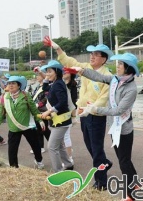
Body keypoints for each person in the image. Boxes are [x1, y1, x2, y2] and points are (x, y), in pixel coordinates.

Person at [43, 36, 113, 190]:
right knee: (91, 147)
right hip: (84, 116)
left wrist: (91, 108)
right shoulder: (86, 67)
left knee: (96, 149)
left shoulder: (107, 76)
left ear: (104, 59)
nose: (92, 57)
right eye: (91, 54)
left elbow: (104, 98)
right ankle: (105, 163)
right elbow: (69, 62)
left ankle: (101, 182)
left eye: (96, 54)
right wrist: (57, 47)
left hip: (96, 116)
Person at [72, 52, 140, 200]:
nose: (118, 66)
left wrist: (95, 109)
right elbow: (99, 77)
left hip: (124, 129)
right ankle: (135, 183)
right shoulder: (116, 80)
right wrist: (82, 71)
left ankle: (131, 194)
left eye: (121, 64)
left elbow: (118, 110)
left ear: (128, 68)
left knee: (124, 160)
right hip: (114, 127)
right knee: (124, 159)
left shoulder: (131, 89)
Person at [0, 76, 46, 169]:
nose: (10, 85)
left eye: (13, 83)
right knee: (12, 150)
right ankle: (14, 168)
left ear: (19, 85)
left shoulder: (26, 95)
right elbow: (0, 113)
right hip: (13, 128)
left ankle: (39, 160)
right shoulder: (5, 97)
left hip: (27, 126)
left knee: (35, 146)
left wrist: (39, 120)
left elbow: (34, 109)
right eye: (9, 83)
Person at [39, 61, 74, 172]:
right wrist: (46, 77)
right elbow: (44, 88)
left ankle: (58, 171)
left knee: (52, 147)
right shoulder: (54, 83)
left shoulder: (58, 83)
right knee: (58, 145)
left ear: (57, 72)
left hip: (61, 120)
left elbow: (62, 102)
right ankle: (68, 164)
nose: (47, 73)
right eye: (46, 71)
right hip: (58, 120)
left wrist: (49, 111)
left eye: (50, 71)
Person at [30, 67, 50, 154]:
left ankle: (55, 145)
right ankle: (41, 147)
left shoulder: (47, 86)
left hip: (43, 110)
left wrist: (38, 104)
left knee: (44, 129)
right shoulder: (38, 86)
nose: (37, 77)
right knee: (38, 130)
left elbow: (46, 97)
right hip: (36, 110)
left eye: (38, 75)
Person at [62, 68, 78, 163]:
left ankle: (69, 158)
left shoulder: (72, 86)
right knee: (63, 136)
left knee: (66, 136)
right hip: (62, 112)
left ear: (71, 74)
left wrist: (73, 116)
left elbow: (73, 101)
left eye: (66, 72)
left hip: (67, 112)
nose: (64, 73)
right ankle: (68, 151)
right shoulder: (62, 84)